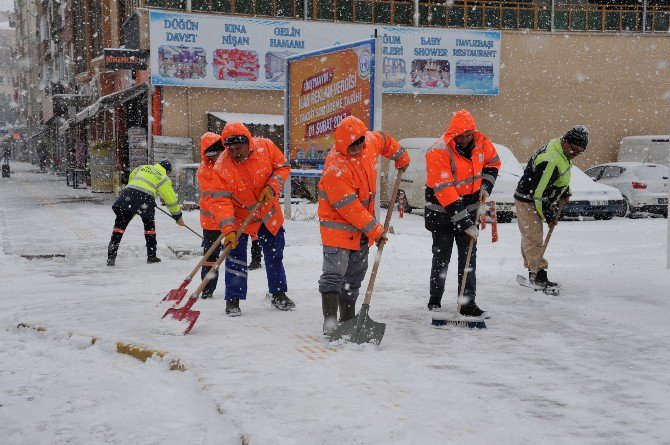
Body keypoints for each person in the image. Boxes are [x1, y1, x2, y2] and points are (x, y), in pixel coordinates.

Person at [317, 116, 410, 335]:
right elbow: (349, 207)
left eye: (360, 143)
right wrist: (375, 230)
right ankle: (330, 324)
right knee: (334, 275)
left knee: (355, 276)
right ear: (342, 144)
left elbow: (385, 141)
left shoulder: (369, 143)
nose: (358, 147)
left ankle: (348, 319)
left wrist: (401, 156)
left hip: (361, 228)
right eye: (352, 145)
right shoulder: (336, 167)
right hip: (337, 227)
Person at [207, 122, 294, 316]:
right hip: (239, 218)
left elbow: (283, 168)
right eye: (230, 149)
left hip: (268, 213)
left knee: (274, 256)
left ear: (249, 142)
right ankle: (233, 299)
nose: (235, 153)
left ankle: (279, 294)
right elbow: (221, 201)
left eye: (239, 148)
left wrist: (272, 186)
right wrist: (228, 230)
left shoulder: (266, 147)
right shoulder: (222, 167)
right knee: (235, 258)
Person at [424, 109, 501, 317]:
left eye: (468, 134)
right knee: (442, 257)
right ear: (452, 134)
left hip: (469, 206)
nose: (465, 139)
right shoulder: (439, 151)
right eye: (461, 135)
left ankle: (467, 304)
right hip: (441, 212)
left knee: (468, 258)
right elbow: (444, 190)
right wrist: (465, 223)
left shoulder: (482, 143)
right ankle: (435, 300)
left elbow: (493, 162)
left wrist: (486, 186)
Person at [514, 125, 588, 288]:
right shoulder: (551, 159)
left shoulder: (560, 149)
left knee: (530, 236)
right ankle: (538, 276)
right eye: (574, 150)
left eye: (579, 152)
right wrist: (549, 217)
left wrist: (565, 191)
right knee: (533, 238)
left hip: (536, 197)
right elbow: (539, 194)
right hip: (529, 200)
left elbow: (559, 177)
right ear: (566, 142)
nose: (575, 155)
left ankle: (533, 272)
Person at [107, 159, 184, 266]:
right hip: (145, 199)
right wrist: (178, 217)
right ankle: (151, 256)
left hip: (128, 195)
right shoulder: (164, 178)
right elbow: (170, 200)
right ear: (167, 171)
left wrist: (133, 203)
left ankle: (111, 256)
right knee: (149, 228)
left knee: (119, 227)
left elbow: (132, 179)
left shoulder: (142, 167)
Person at [197, 132, 225, 299]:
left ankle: (234, 292)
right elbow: (210, 198)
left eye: (218, 152)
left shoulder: (227, 164)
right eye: (211, 154)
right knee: (210, 256)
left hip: (230, 217)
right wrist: (223, 215)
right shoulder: (204, 170)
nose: (215, 157)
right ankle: (207, 289)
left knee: (235, 253)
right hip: (211, 221)